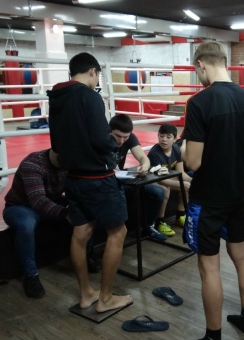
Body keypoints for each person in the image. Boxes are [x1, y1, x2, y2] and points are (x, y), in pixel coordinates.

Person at [178, 41, 244, 340]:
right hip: (237, 194)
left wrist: (184, 149)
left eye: (196, 71)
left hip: (208, 198)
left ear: (201, 64)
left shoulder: (199, 102)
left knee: (209, 267)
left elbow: (193, 162)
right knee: (240, 255)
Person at [48, 52, 132, 312]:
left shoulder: (57, 96)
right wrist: (113, 147)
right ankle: (105, 298)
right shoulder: (89, 96)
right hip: (97, 178)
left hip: (72, 178)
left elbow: (56, 144)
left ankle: (86, 294)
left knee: (81, 233)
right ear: (93, 71)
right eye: (97, 76)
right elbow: (100, 138)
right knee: (118, 232)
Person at [3, 149, 68, 298]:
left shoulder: (71, 160)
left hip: (52, 200)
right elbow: (38, 200)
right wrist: (65, 213)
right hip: (21, 206)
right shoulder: (33, 163)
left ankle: (86, 256)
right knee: (26, 226)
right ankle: (31, 275)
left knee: (84, 209)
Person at [109, 114, 167, 241]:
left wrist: (144, 166)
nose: (121, 141)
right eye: (117, 136)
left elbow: (143, 157)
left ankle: (148, 227)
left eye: (125, 137)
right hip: (105, 182)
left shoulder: (130, 138)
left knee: (158, 192)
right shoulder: (102, 139)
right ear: (110, 131)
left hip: (120, 179)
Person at [148, 123, 192, 236]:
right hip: (153, 180)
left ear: (175, 139)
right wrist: (181, 184)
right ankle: (160, 222)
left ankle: (180, 215)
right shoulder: (154, 154)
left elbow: (181, 173)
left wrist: (194, 181)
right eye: (161, 136)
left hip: (167, 178)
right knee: (165, 188)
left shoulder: (176, 150)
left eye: (168, 137)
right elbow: (160, 179)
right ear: (158, 136)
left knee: (187, 183)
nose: (164, 139)